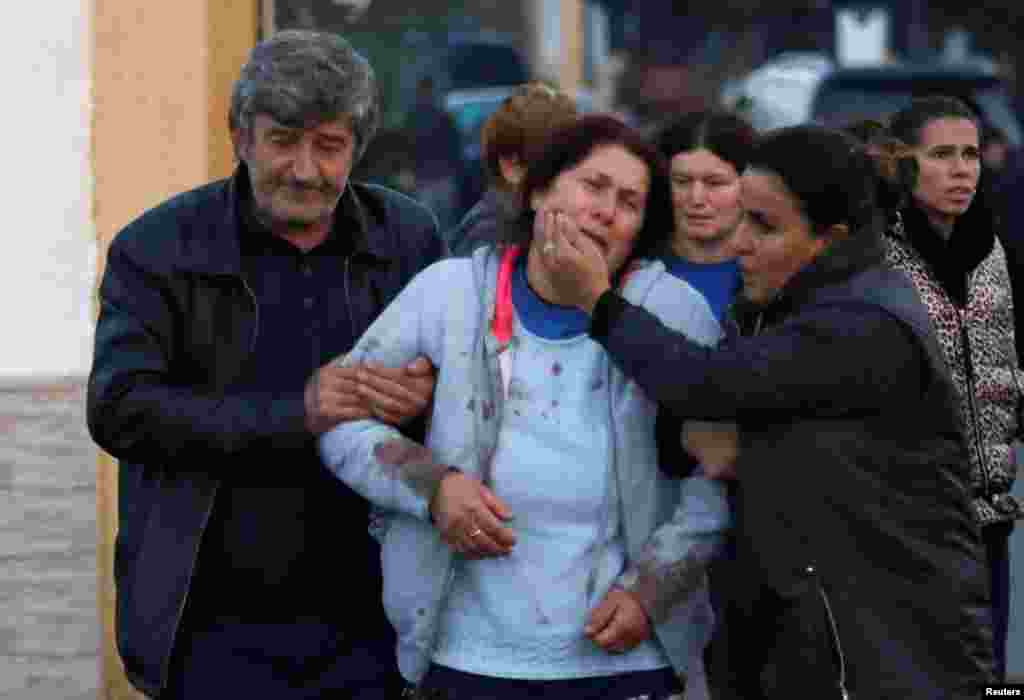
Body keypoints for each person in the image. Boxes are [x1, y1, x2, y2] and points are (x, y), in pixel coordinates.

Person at [539, 124, 995, 698]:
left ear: (829, 239)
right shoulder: (778, 305)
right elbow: (710, 424)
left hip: (887, 655)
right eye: (743, 218)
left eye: (765, 226)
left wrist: (598, 302)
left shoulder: (864, 322)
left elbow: (705, 385)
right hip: (805, 643)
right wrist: (707, 439)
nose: (738, 244)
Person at [318, 114, 730, 699]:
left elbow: (716, 474)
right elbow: (341, 417)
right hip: (465, 653)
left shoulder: (671, 309)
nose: (606, 212)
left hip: (625, 658)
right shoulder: (450, 292)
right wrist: (431, 486)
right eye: (592, 186)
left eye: (630, 203)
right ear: (538, 191)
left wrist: (654, 589)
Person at [86, 30, 445, 699]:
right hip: (209, 626)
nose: (305, 169)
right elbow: (119, 408)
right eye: (283, 139)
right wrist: (298, 411)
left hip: (377, 619)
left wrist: (431, 393)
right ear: (240, 136)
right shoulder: (158, 248)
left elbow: (470, 391)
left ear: (357, 149)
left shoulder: (409, 236)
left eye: (329, 145)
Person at [881, 95, 1021, 682]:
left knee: (992, 678)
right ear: (902, 163)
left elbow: (1004, 359)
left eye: (969, 154)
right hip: (909, 521)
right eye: (941, 154)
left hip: (989, 516)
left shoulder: (991, 249)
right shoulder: (879, 259)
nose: (962, 169)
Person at [448, 82, 578, 256]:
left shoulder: (541, 222)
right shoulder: (490, 239)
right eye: (555, 162)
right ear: (511, 166)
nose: (569, 176)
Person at [653, 110, 755, 323]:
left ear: (750, 186)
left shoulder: (776, 277)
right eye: (681, 181)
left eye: (715, 183)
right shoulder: (631, 268)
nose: (696, 198)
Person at [406, 75, 466, 232]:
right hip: (431, 179)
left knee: (439, 222)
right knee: (436, 223)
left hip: (436, 178)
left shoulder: (423, 119)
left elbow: (455, 147)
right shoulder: (417, 119)